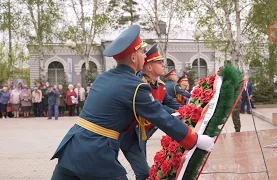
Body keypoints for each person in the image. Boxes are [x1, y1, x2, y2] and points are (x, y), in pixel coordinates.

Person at [50, 25, 214, 180]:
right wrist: (195, 140)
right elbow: (161, 117)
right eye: (143, 51)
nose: (145, 55)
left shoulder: (103, 78)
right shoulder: (135, 86)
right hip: (96, 156)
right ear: (134, 56)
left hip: (71, 149)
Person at [120, 43, 182, 179]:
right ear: (149, 66)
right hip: (131, 134)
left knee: (143, 171)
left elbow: (170, 103)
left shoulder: (160, 85)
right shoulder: (139, 85)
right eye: (159, 62)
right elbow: (157, 108)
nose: (163, 65)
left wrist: (188, 109)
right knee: (143, 172)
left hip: (143, 132)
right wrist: (178, 115)